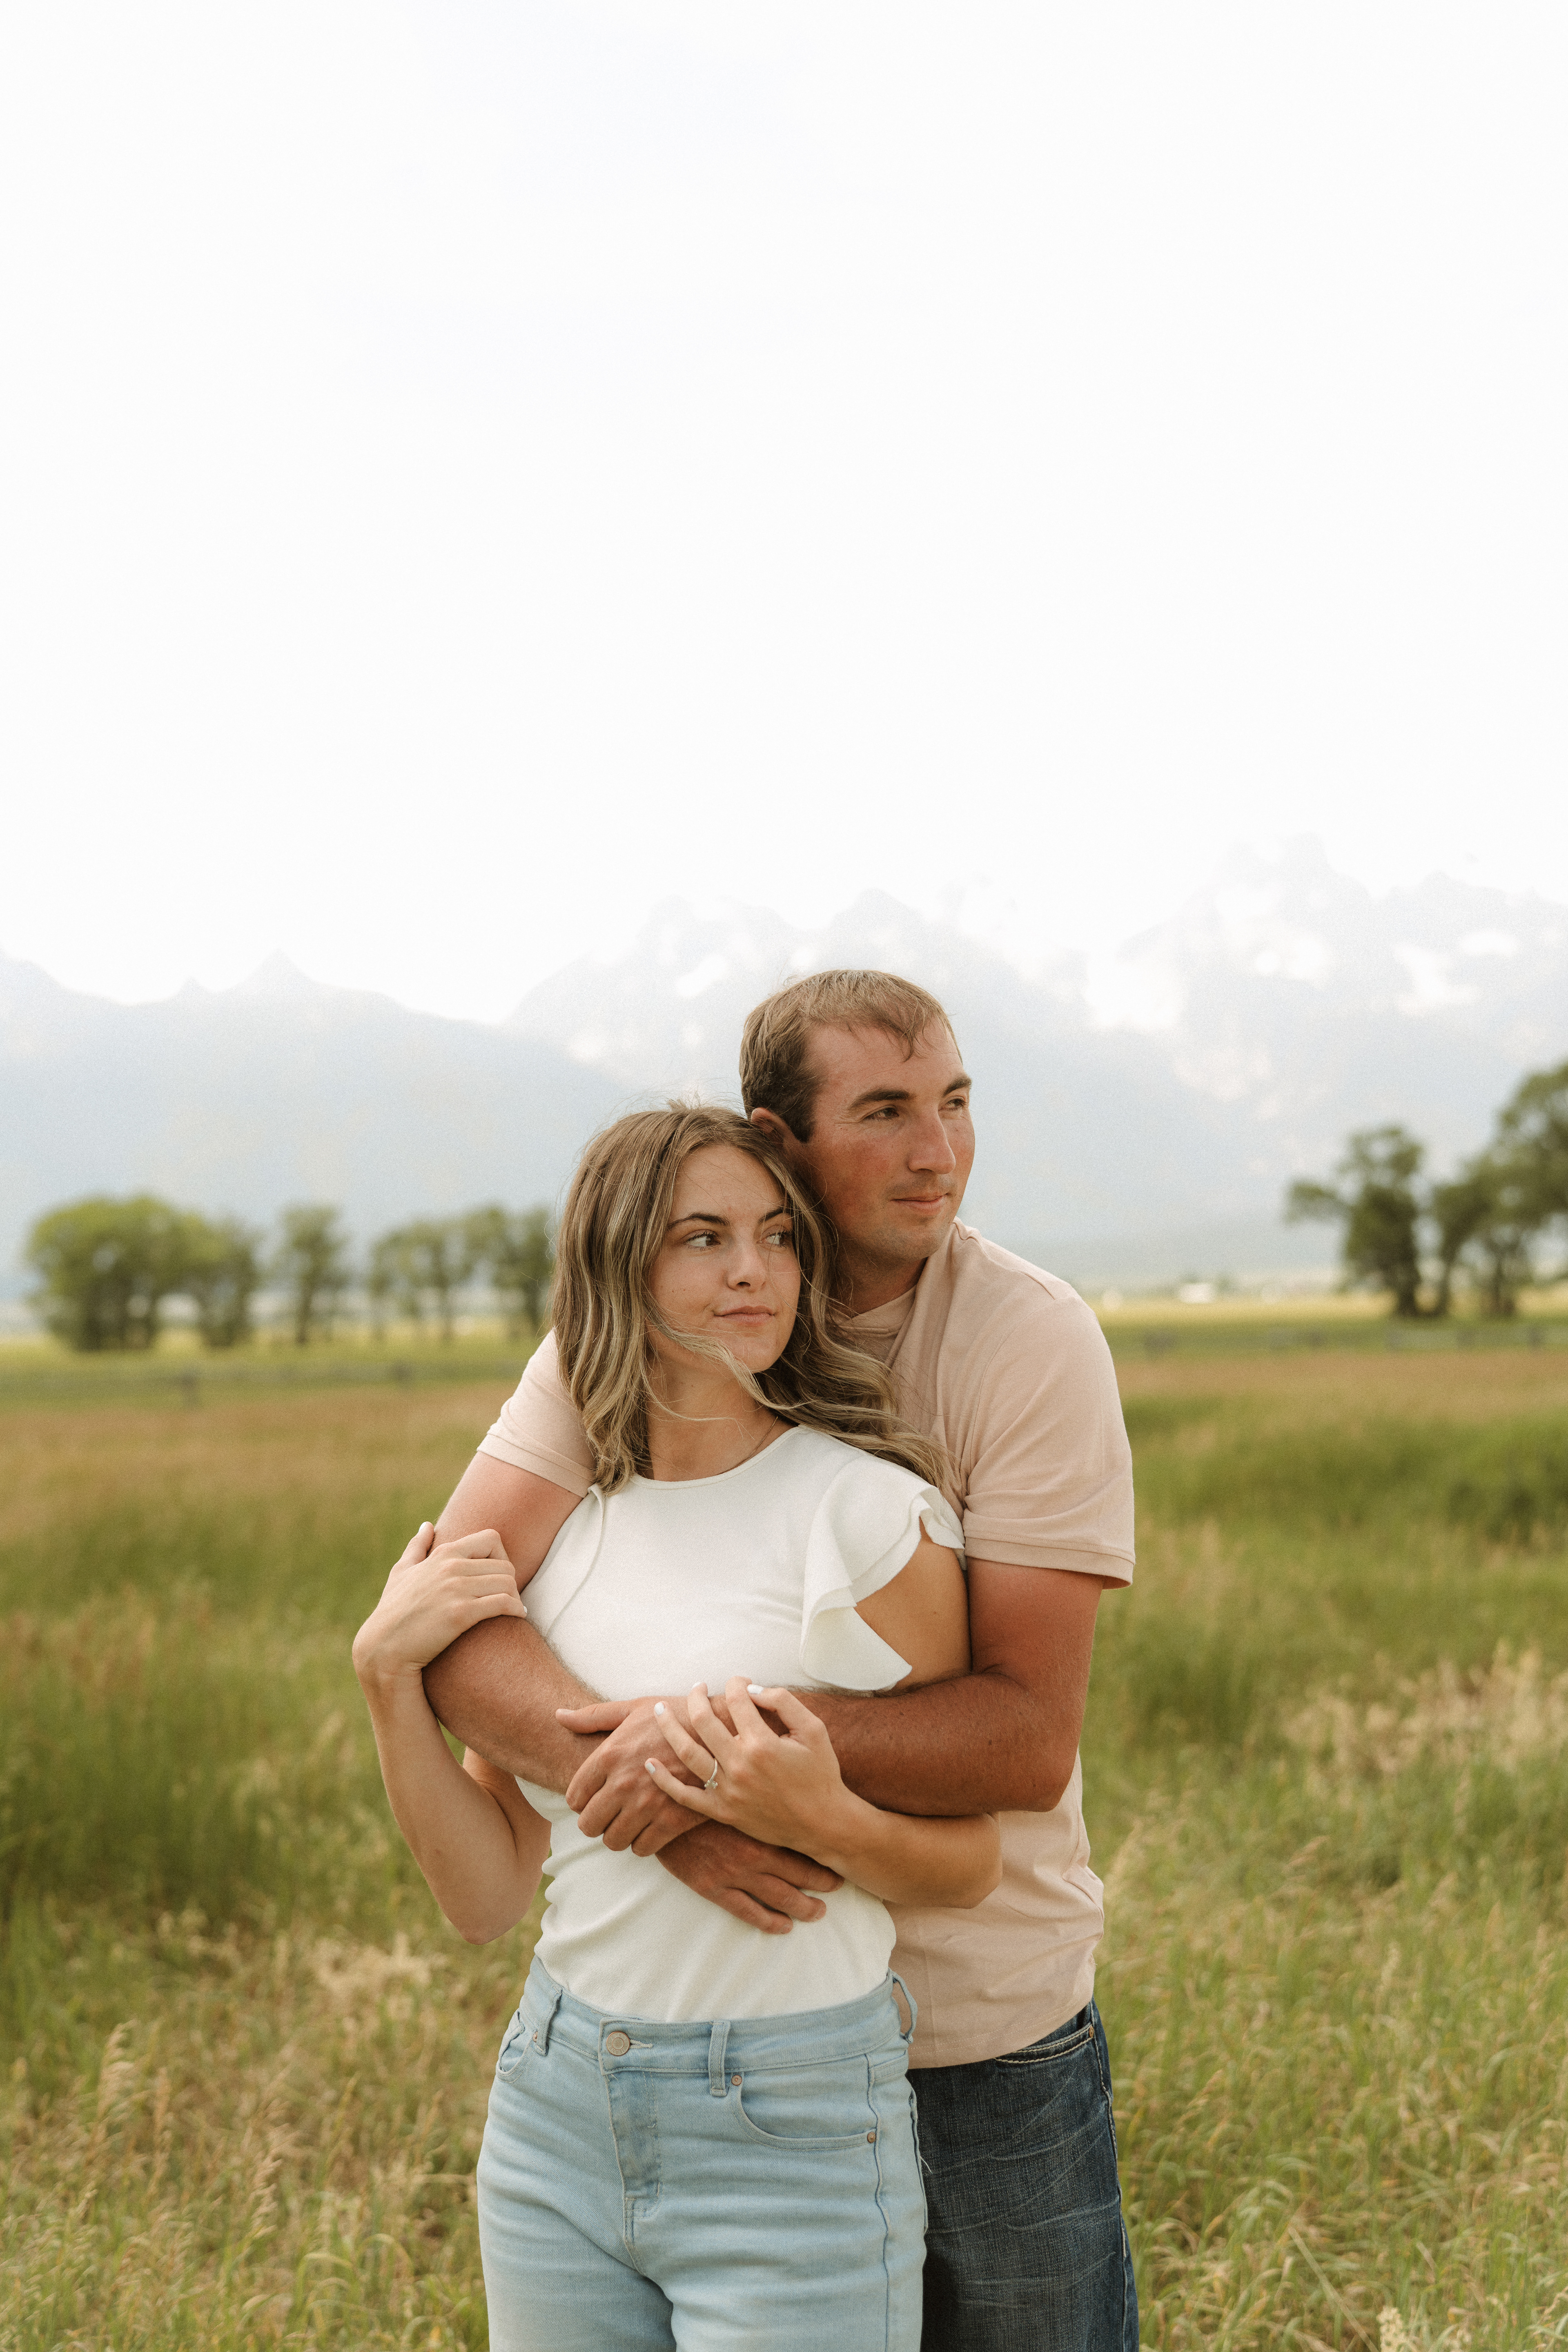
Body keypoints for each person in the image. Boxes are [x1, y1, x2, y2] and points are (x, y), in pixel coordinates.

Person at [426, 969, 1140, 2352]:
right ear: (782, 1132)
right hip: (694, 2042)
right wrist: (676, 1812)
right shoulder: (639, 1337)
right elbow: (457, 1610)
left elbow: (1022, 1739)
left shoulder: (1026, 1338)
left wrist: (706, 1755)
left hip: (979, 2026)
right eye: (885, 1111)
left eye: (955, 1104)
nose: (939, 1152)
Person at [353, 1102, 1002, 2352]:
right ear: (619, 1264)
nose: (752, 1270)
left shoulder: (867, 1519)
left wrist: (818, 1814)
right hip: (556, 2107)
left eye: (776, 1236)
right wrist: (390, 1686)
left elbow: (968, 1863)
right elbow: (485, 1897)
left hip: (794, 2127)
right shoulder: (560, 1545)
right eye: (701, 1238)